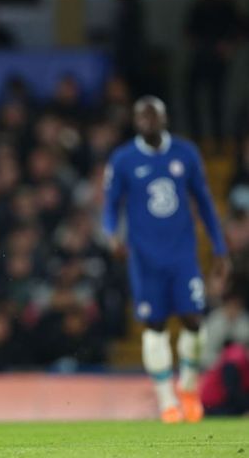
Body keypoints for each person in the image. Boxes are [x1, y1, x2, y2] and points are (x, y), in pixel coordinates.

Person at [102, 95, 230, 423]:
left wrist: (219, 247)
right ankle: (166, 401)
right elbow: (111, 204)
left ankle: (188, 388)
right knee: (154, 326)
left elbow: (204, 201)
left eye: (152, 117)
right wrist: (111, 234)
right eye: (141, 118)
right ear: (135, 122)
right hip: (145, 258)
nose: (147, 122)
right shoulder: (124, 159)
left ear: (164, 119)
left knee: (194, 321)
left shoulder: (186, 153)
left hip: (182, 255)